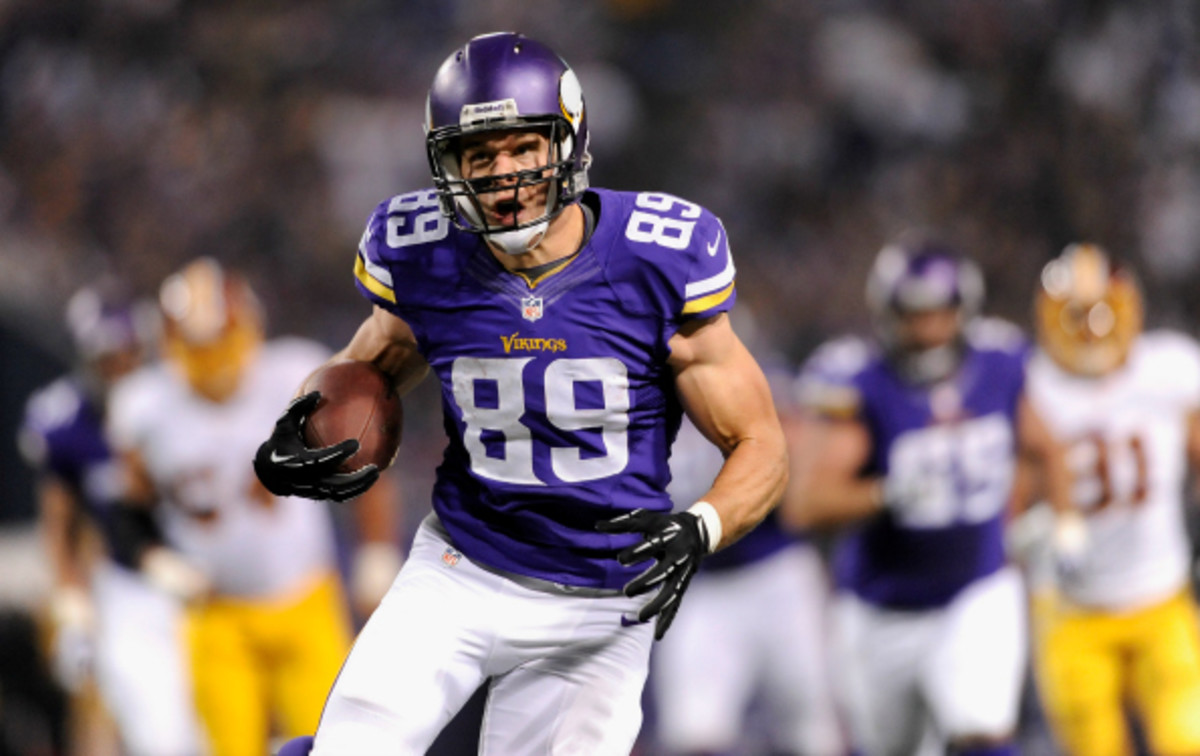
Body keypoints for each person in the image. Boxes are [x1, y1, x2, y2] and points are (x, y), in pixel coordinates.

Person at [253, 31, 788, 756]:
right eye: (480, 156)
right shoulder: (423, 253)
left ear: (567, 143)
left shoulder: (657, 259)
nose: (504, 176)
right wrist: (305, 424)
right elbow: (370, 366)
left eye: (522, 149)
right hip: (462, 564)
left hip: (601, 591)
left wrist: (703, 526)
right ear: (450, 167)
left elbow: (759, 443)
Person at [784, 234, 1070, 756]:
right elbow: (805, 504)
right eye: (913, 314)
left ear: (964, 309)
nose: (927, 329)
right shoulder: (862, 382)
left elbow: (1044, 447)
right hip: (881, 610)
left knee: (982, 731)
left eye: (938, 312)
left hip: (976, 589)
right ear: (887, 313)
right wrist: (884, 494)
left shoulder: (1000, 364)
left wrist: (1052, 516)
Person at [105, 257, 403, 756]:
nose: (214, 358)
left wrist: (376, 549)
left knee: (337, 743)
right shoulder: (145, 408)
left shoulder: (294, 377)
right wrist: (155, 560)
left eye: (222, 338)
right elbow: (126, 509)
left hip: (305, 603)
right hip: (216, 617)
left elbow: (362, 460)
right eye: (199, 346)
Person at [1017, 242, 1200, 756]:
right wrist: (1027, 527)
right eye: (1075, 315)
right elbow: (1012, 486)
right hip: (1073, 609)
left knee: (1186, 740)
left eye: (1102, 312)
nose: (1091, 329)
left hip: (1161, 595)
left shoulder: (1169, 368)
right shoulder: (1031, 386)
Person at [17, 281, 204, 756]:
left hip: (210, 577)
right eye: (106, 357)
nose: (119, 366)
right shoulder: (67, 420)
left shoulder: (181, 397)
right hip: (132, 588)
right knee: (164, 739)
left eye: (126, 353)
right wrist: (72, 605)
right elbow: (62, 524)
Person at [651, 390, 846, 755]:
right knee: (693, 733)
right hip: (698, 585)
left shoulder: (728, 375)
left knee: (811, 726)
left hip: (776, 571)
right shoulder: (630, 395)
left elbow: (796, 438)